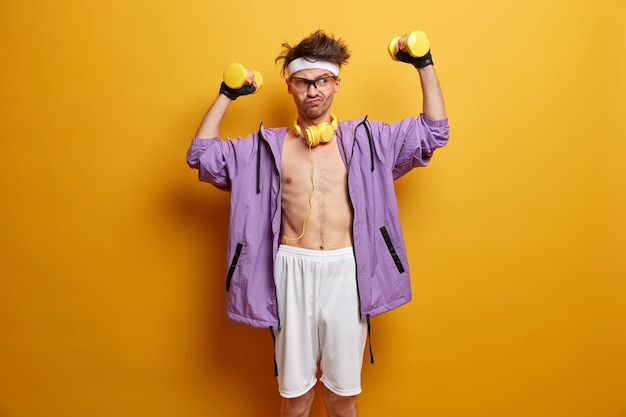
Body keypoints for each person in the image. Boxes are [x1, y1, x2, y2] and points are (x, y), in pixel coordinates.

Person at [186, 29, 449, 417]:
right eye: (304, 82)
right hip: (291, 272)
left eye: (322, 81)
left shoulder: (368, 140)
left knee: (343, 398)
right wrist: (227, 94)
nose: (313, 91)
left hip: (347, 273)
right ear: (289, 86)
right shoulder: (264, 149)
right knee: (295, 399)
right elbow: (201, 156)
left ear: (336, 84)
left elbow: (434, 132)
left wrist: (423, 64)